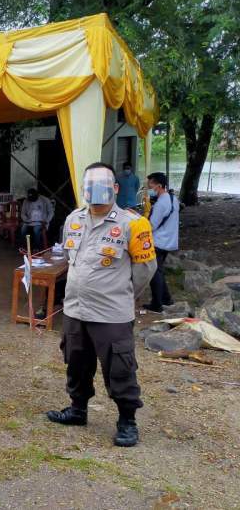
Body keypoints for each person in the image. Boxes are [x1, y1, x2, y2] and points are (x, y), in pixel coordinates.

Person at [46, 162, 157, 448]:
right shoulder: (73, 219)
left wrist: (121, 295)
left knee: (119, 367)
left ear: (115, 189)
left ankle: (127, 421)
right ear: (83, 190)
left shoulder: (133, 224)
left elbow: (145, 270)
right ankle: (78, 409)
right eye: (89, 187)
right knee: (76, 361)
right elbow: (72, 259)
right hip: (75, 309)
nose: (95, 192)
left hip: (111, 313)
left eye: (102, 186)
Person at [143, 172, 179, 313]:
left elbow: (151, 226)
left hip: (159, 242)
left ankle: (157, 304)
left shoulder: (160, 204)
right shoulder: (172, 198)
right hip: (170, 240)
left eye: (150, 184)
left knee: (154, 273)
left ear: (158, 185)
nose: (148, 186)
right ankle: (166, 299)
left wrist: (139, 220)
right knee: (159, 271)